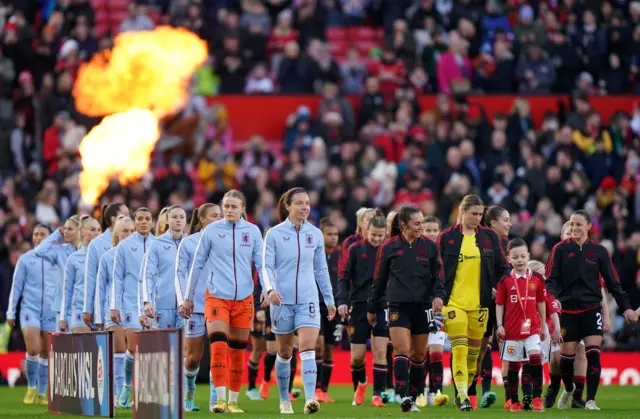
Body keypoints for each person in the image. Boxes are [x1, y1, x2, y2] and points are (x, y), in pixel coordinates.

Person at [182, 190, 267, 414]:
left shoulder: (253, 232)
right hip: (217, 297)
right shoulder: (211, 231)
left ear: (242, 209)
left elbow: (262, 264)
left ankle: (233, 402)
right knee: (218, 346)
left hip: (244, 299)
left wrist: (269, 288)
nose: (228, 210)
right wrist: (188, 298)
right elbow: (197, 266)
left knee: (238, 351)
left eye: (233, 206)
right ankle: (219, 400)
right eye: (225, 206)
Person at [545, 210, 638, 411]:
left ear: (588, 226)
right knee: (566, 360)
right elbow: (550, 281)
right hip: (568, 311)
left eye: (579, 224)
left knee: (593, 353)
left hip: (591, 309)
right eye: (571, 224)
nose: (574, 228)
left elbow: (614, 283)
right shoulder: (559, 249)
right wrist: (552, 298)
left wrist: (627, 308)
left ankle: (590, 399)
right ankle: (569, 389)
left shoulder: (599, 251)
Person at [262, 187, 336, 415]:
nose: (305, 207)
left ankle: (310, 398)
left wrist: (329, 299)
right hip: (281, 300)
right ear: (288, 206)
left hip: (308, 299)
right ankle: (284, 400)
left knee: (308, 348)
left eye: (307, 203)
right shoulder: (273, 234)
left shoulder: (314, 234)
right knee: (284, 352)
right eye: (300, 203)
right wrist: (270, 290)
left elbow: (321, 269)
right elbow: (266, 266)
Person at [437, 194, 510, 411]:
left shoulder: (488, 237)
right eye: (474, 214)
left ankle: (465, 389)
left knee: (474, 356)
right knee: (459, 349)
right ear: (462, 211)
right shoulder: (446, 237)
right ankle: (462, 395)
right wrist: (437, 296)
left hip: (480, 305)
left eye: (480, 214)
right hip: (453, 304)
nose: (478, 218)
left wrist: (504, 285)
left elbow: (502, 267)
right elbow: (437, 270)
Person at [368, 206, 444, 413]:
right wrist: (372, 307)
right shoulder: (389, 247)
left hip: (423, 306)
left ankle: (413, 393)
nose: (422, 227)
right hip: (398, 305)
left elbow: (439, 276)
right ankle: (403, 397)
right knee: (402, 350)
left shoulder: (430, 247)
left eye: (422, 223)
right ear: (404, 225)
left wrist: (438, 295)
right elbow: (379, 279)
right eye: (417, 223)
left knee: (419, 355)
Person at [544, 221, 611, 408]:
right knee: (559, 359)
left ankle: (579, 396)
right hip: (562, 313)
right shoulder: (557, 255)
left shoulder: (588, 259)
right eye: (567, 233)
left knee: (584, 353)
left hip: (587, 310)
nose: (571, 236)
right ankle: (559, 387)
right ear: (562, 237)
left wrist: (606, 315)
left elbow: (601, 290)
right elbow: (549, 284)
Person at [337, 209, 390, 407]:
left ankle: (377, 395)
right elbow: (343, 276)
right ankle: (361, 385)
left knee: (380, 352)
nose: (376, 239)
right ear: (366, 230)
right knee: (357, 358)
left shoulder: (390, 250)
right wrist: (342, 301)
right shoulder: (355, 249)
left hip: (382, 305)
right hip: (359, 305)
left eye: (380, 235)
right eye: (373, 235)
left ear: (385, 232)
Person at [175, 203, 222, 411]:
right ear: (202, 219)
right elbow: (180, 273)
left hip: (220, 303)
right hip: (195, 305)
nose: (219, 219)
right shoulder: (188, 244)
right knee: (193, 357)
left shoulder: (226, 243)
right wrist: (184, 299)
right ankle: (190, 391)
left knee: (218, 351)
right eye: (214, 216)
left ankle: (215, 399)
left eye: (220, 215)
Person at [496, 239, 547, 412]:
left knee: (535, 359)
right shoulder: (505, 281)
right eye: (515, 257)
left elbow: (541, 303)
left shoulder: (537, 279)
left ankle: (538, 399)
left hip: (532, 329)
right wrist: (499, 325)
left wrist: (544, 327)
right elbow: (500, 304)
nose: (520, 260)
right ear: (509, 259)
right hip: (511, 331)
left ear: (529, 256)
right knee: (514, 366)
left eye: (523, 256)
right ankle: (515, 401)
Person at [111, 207, 155, 408]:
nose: (144, 222)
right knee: (133, 347)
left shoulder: (158, 244)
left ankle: (148, 392)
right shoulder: (125, 246)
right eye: (140, 219)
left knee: (151, 350)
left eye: (147, 219)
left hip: (153, 305)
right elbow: (117, 278)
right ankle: (127, 386)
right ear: (135, 222)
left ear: (152, 222)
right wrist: (114, 305)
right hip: (130, 302)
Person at [6, 225, 55, 405]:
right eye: (36, 234)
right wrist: (11, 310)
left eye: (43, 234)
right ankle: (31, 387)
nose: (39, 237)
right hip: (30, 310)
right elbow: (16, 286)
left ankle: (42, 393)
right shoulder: (25, 260)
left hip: (50, 311)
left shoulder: (57, 260)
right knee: (33, 349)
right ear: (32, 238)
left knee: (45, 353)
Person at [472, 206, 511, 409]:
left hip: (505, 302)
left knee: (508, 346)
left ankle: (507, 395)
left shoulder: (508, 244)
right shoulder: (477, 241)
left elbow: (509, 269)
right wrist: (488, 289)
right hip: (483, 300)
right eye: (506, 219)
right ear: (493, 223)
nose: (510, 223)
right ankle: (474, 389)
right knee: (481, 348)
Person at [94, 215, 134, 405]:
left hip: (135, 309)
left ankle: (128, 390)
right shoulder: (107, 257)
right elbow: (100, 288)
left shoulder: (142, 253)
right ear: (116, 234)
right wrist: (98, 313)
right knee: (119, 350)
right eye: (125, 231)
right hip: (114, 309)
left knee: (133, 352)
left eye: (131, 231)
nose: (129, 234)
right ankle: (119, 396)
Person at [418, 216, 448, 407]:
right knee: (421, 353)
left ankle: (436, 392)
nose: (430, 233)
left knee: (436, 351)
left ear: (439, 232)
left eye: (434, 230)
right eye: (427, 230)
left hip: (437, 307)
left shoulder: (444, 254)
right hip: (419, 307)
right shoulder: (415, 252)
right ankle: (420, 392)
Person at [83, 203, 130, 327]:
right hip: (108, 306)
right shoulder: (97, 244)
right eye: (125, 214)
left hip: (132, 306)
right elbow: (91, 279)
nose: (128, 218)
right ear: (114, 219)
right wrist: (88, 309)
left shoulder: (134, 242)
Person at [142, 205, 186, 329]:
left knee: (186, 347)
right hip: (163, 305)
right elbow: (148, 274)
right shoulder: (156, 244)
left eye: (182, 217)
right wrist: (147, 301)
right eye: (174, 217)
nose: (178, 220)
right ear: (167, 220)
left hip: (186, 306)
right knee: (165, 347)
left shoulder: (191, 243)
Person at [35, 215, 83, 330]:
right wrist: (56, 234)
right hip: (61, 307)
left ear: (79, 231)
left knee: (81, 346)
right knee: (61, 346)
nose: (65, 231)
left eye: (70, 229)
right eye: (65, 228)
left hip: (81, 306)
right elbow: (39, 251)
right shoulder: (60, 250)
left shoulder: (86, 251)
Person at [315, 218, 342, 403]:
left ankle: (324, 389)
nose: (333, 238)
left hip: (334, 307)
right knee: (318, 345)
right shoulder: (314, 254)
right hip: (315, 304)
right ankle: (315, 388)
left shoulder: (342, 257)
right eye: (329, 234)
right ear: (321, 235)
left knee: (329, 349)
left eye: (335, 235)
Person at [60, 217, 101, 333]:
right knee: (84, 349)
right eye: (93, 230)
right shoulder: (73, 258)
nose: (97, 233)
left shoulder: (106, 256)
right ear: (83, 232)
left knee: (101, 350)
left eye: (99, 230)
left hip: (101, 311)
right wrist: (63, 317)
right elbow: (67, 289)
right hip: (79, 310)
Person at [338, 208, 375, 272]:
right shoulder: (350, 242)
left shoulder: (383, 243)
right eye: (369, 220)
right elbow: (344, 269)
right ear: (361, 223)